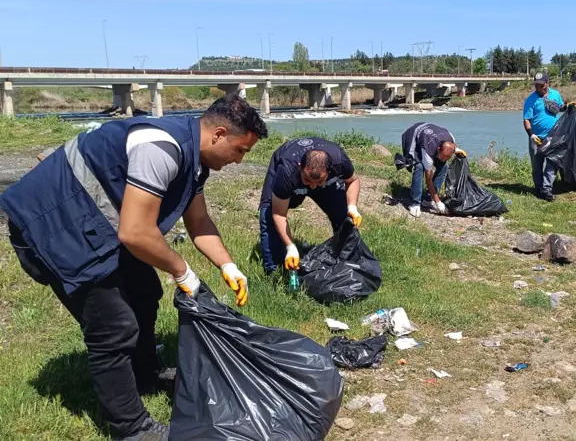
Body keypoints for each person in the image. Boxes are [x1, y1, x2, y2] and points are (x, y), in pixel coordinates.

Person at [0, 95, 268, 441]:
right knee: (113, 327)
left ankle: (144, 375)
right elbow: (136, 233)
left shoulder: (195, 159)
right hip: (54, 222)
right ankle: (131, 428)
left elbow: (198, 221)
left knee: (145, 293)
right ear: (218, 134)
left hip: (95, 221)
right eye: (240, 150)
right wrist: (182, 270)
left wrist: (228, 265)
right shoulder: (160, 148)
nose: (238, 160)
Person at [258, 137, 361, 275]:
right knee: (268, 215)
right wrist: (290, 247)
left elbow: (353, 180)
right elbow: (279, 214)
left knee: (344, 217)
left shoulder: (339, 161)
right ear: (300, 166)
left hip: (325, 184)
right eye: (307, 180)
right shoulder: (287, 170)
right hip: (291, 176)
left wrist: (352, 207)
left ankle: (348, 261)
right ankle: (275, 271)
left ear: (330, 171)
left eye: (317, 182)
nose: (312, 186)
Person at [395, 122, 466, 217]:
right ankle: (415, 203)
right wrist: (438, 202)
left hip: (430, 135)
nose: (444, 159)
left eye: (447, 157)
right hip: (414, 136)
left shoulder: (451, 138)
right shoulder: (428, 152)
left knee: (443, 166)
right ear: (438, 149)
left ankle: (428, 199)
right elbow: (428, 180)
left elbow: (451, 147)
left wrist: (456, 151)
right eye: (442, 157)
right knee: (419, 167)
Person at [523, 71, 564, 201]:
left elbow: (560, 107)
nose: (539, 88)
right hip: (537, 138)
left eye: (541, 85)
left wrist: (568, 107)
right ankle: (539, 189)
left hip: (553, 137)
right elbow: (526, 119)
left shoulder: (555, 95)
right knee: (537, 165)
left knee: (552, 163)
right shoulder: (531, 100)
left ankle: (547, 189)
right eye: (536, 85)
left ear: (547, 83)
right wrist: (531, 135)